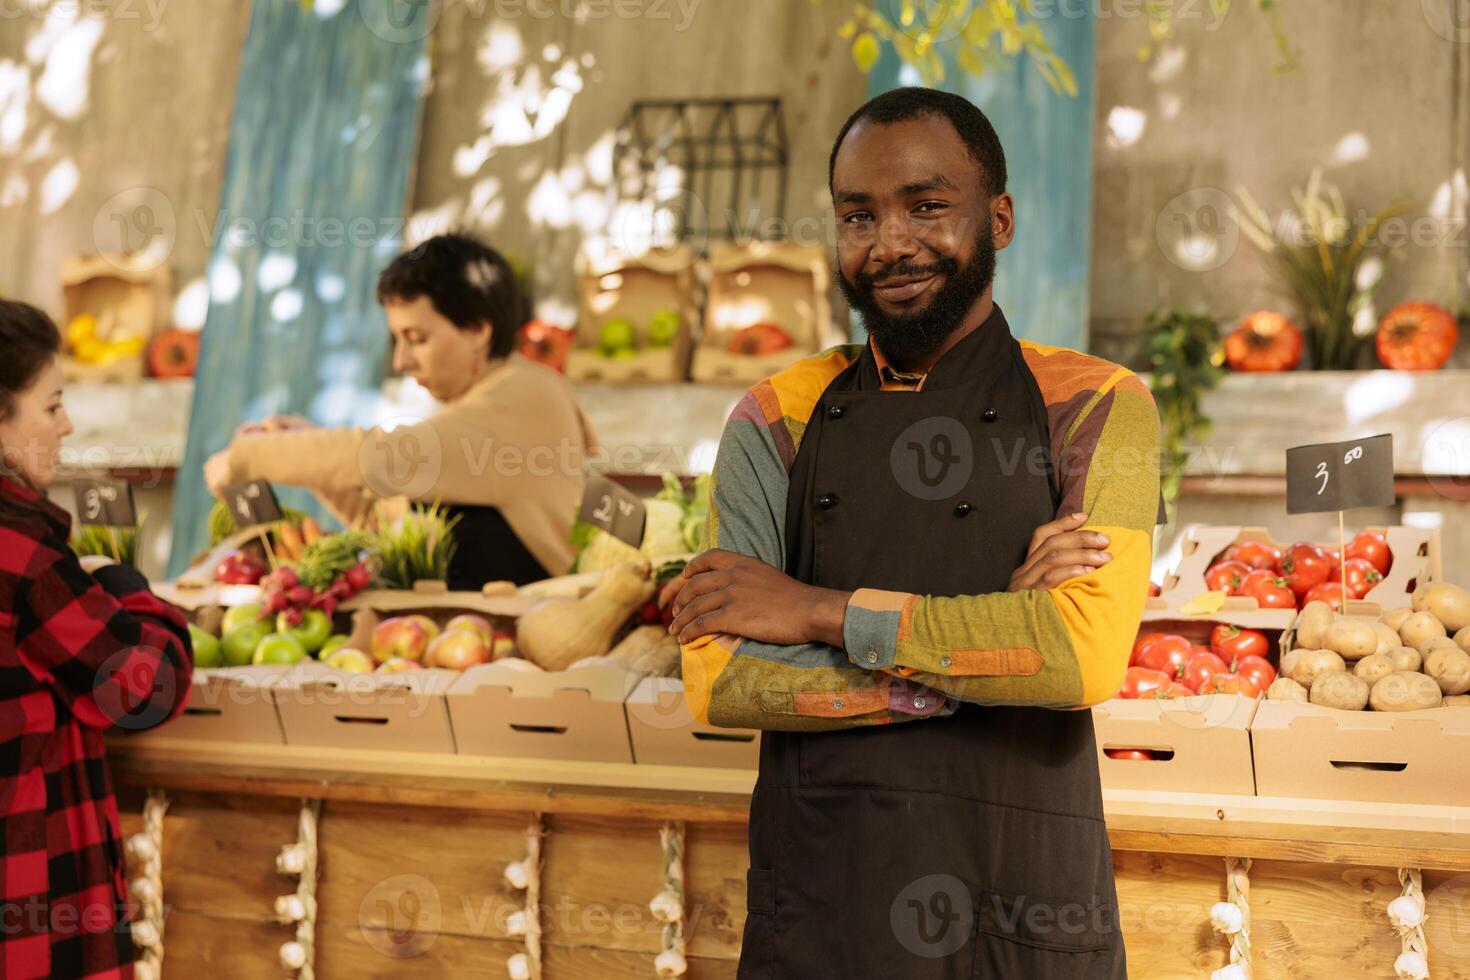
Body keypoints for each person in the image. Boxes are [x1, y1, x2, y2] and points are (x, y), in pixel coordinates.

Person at [668, 88, 1161, 979]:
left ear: (998, 218)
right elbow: (726, 679)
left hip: (1022, 894)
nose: (891, 243)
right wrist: (986, 659)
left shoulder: (1105, 405)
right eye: (859, 215)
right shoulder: (770, 416)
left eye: (927, 206)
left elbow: (1081, 658)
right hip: (827, 896)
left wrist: (814, 611)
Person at [204, 233, 597, 589]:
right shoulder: (484, 404)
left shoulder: (524, 397)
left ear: (478, 329)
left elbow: (383, 457)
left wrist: (247, 458)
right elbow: (390, 526)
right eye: (397, 340)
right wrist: (307, 455)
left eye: (417, 338)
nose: (400, 361)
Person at [0, 299, 195, 979]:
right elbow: (146, 687)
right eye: (51, 406)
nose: (67, 424)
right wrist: (133, 591)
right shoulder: (23, 558)